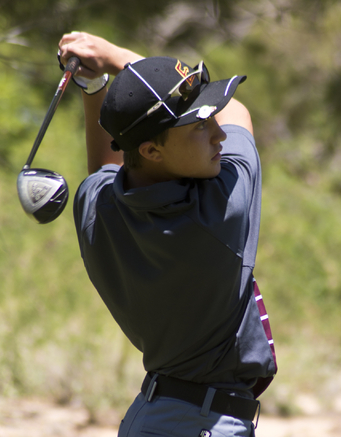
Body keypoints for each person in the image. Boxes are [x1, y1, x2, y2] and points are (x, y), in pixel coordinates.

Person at [57, 32, 277, 437]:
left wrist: (94, 85)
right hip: (205, 423)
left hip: (153, 416)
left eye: (211, 118)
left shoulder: (97, 209)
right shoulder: (222, 207)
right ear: (151, 151)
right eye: (199, 125)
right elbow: (238, 115)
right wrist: (116, 58)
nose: (218, 135)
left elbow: (105, 167)